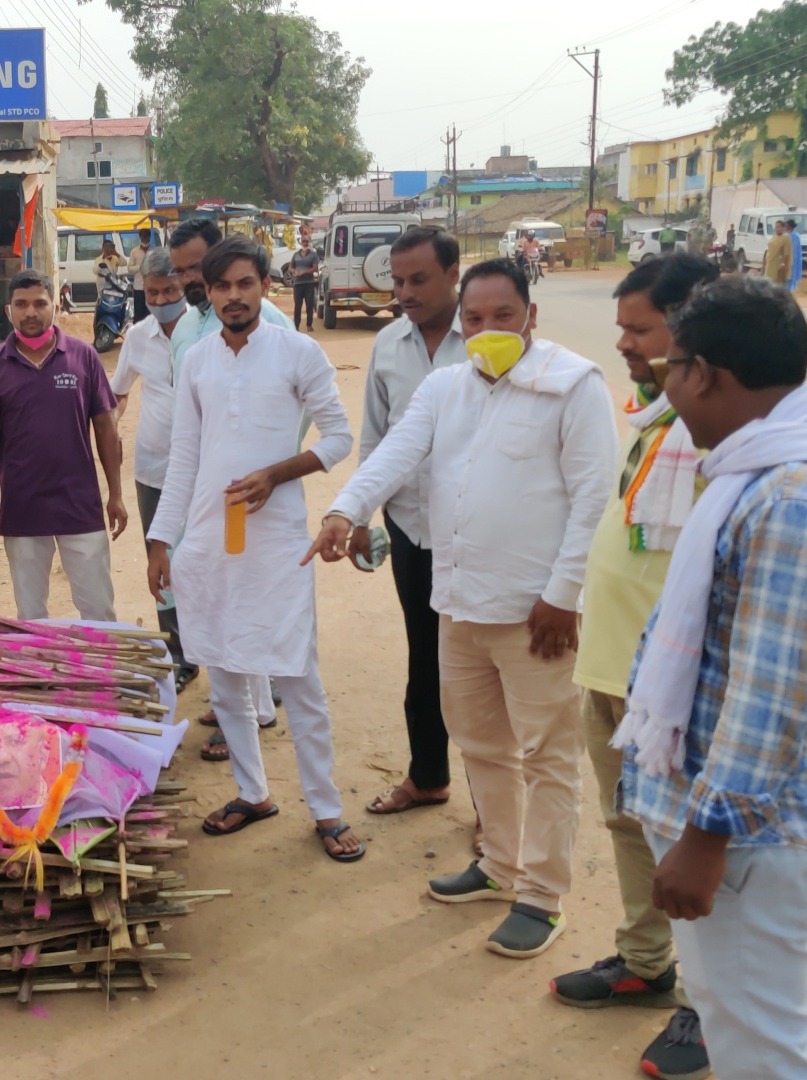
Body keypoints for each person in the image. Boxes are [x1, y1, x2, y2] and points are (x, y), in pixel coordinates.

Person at [617, 275, 807, 1079]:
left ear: (709, 374)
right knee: (735, 1025)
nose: (664, 384)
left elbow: (772, 690)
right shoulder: (761, 472)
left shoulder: (799, 500)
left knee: (764, 1049)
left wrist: (705, 837)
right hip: (730, 824)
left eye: (669, 368)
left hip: (748, 835)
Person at [306, 259, 614, 959]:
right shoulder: (446, 388)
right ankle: (499, 866)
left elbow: (594, 497)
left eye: (502, 317)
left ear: (531, 316)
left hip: (538, 614)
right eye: (474, 319)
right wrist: (344, 508)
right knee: (482, 747)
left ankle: (542, 896)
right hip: (461, 604)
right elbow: (396, 455)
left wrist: (563, 595)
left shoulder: (573, 384)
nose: (486, 331)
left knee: (549, 756)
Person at [548, 254, 718, 1080]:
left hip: (670, 684)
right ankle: (646, 964)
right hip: (612, 666)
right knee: (628, 826)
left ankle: (707, 1010)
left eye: (639, 328)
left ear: (690, 330)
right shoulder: (656, 412)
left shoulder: (715, 430)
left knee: (692, 846)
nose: (622, 341)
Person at [143, 237, 361, 862]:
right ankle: (253, 792)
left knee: (298, 673)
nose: (233, 296)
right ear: (206, 293)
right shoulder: (199, 361)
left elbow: (341, 437)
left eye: (245, 283)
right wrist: (162, 540)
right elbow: (184, 457)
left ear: (267, 284)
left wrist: (277, 474)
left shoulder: (298, 351)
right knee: (225, 669)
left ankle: (325, 808)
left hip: (277, 541)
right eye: (221, 286)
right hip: (210, 539)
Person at [165, 217, 294, 756]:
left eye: (200, 267)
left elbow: (301, 418)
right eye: (184, 273)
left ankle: (249, 711)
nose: (192, 280)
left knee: (250, 600)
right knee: (215, 596)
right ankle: (242, 706)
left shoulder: (279, 331)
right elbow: (188, 427)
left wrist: (270, 475)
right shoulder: (188, 334)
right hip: (201, 490)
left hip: (259, 491)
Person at [353, 227, 465, 817]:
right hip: (410, 526)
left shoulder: (488, 340)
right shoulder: (389, 343)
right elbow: (377, 435)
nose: (403, 292)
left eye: (418, 280)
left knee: (480, 669)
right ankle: (428, 777)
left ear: (453, 273)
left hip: (475, 531)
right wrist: (361, 509)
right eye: (397, 281)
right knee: (424, 658)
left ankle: (495, 815)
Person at [0, 270, 126, 623]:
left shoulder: (84, 357)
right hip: (23, 507)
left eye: (40, 303)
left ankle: (98, 676)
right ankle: (43, 680)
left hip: (80, 505)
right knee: (31, 616)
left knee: (99, 611)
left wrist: (115, 493)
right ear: (8, 311)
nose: (30, 312)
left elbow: (105, 427)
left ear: (55, 307)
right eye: (21, 304)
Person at [111, 246, 198, 692]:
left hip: (202, 472)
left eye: (169, 290)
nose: (161, 300)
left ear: (183, 287)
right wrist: (113, 420)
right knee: (161, 563)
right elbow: (119, 390)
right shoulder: (139, 336)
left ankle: (214, 649)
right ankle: (180, 655)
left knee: (204, 560)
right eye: (153, 292)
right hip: (151, 470)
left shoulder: (205, 330)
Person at [288, 238, 322, 332]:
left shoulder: (313, 255)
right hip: (297, 284)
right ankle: (296, 326)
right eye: (303, 241)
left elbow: (315, 268)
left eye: (307, 242)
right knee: (297, 306)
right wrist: (294, 271)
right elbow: (290, 267)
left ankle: (309, 325)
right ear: (300, 242)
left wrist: (304, 272)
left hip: (309, 283)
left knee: (309, 304)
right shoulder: (295, 255)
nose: (305, 243)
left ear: (309, 243)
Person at [126, 226, 154, 322]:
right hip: (138, 287)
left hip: (151, 287)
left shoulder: (153, 251)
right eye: (143, 237)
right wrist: (140, 267)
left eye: (147, 237)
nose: (145, 239)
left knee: (150, 312)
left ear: (150, 237)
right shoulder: (134, 251)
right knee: (139, 313)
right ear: (140, 238)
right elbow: (129, 269)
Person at [763, 220, 791, 285]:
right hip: (769, 263)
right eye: (776, 227)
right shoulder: (774, 237)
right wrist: (764, 262)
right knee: (767, 281)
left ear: (783, 228)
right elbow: (768, 249)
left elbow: (786, 253)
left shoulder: (785, 238)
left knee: (776, 282)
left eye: (779, 227)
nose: (777, 229)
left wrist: (783, 263)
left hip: (778, 263)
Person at [786, 219, 805, 291]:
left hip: (793, 257)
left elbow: (794, 248)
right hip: (788, 257)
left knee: (792, 272)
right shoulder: (788, 235)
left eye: (787, 226)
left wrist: (791, 257)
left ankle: (791, 287)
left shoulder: (795, 236)